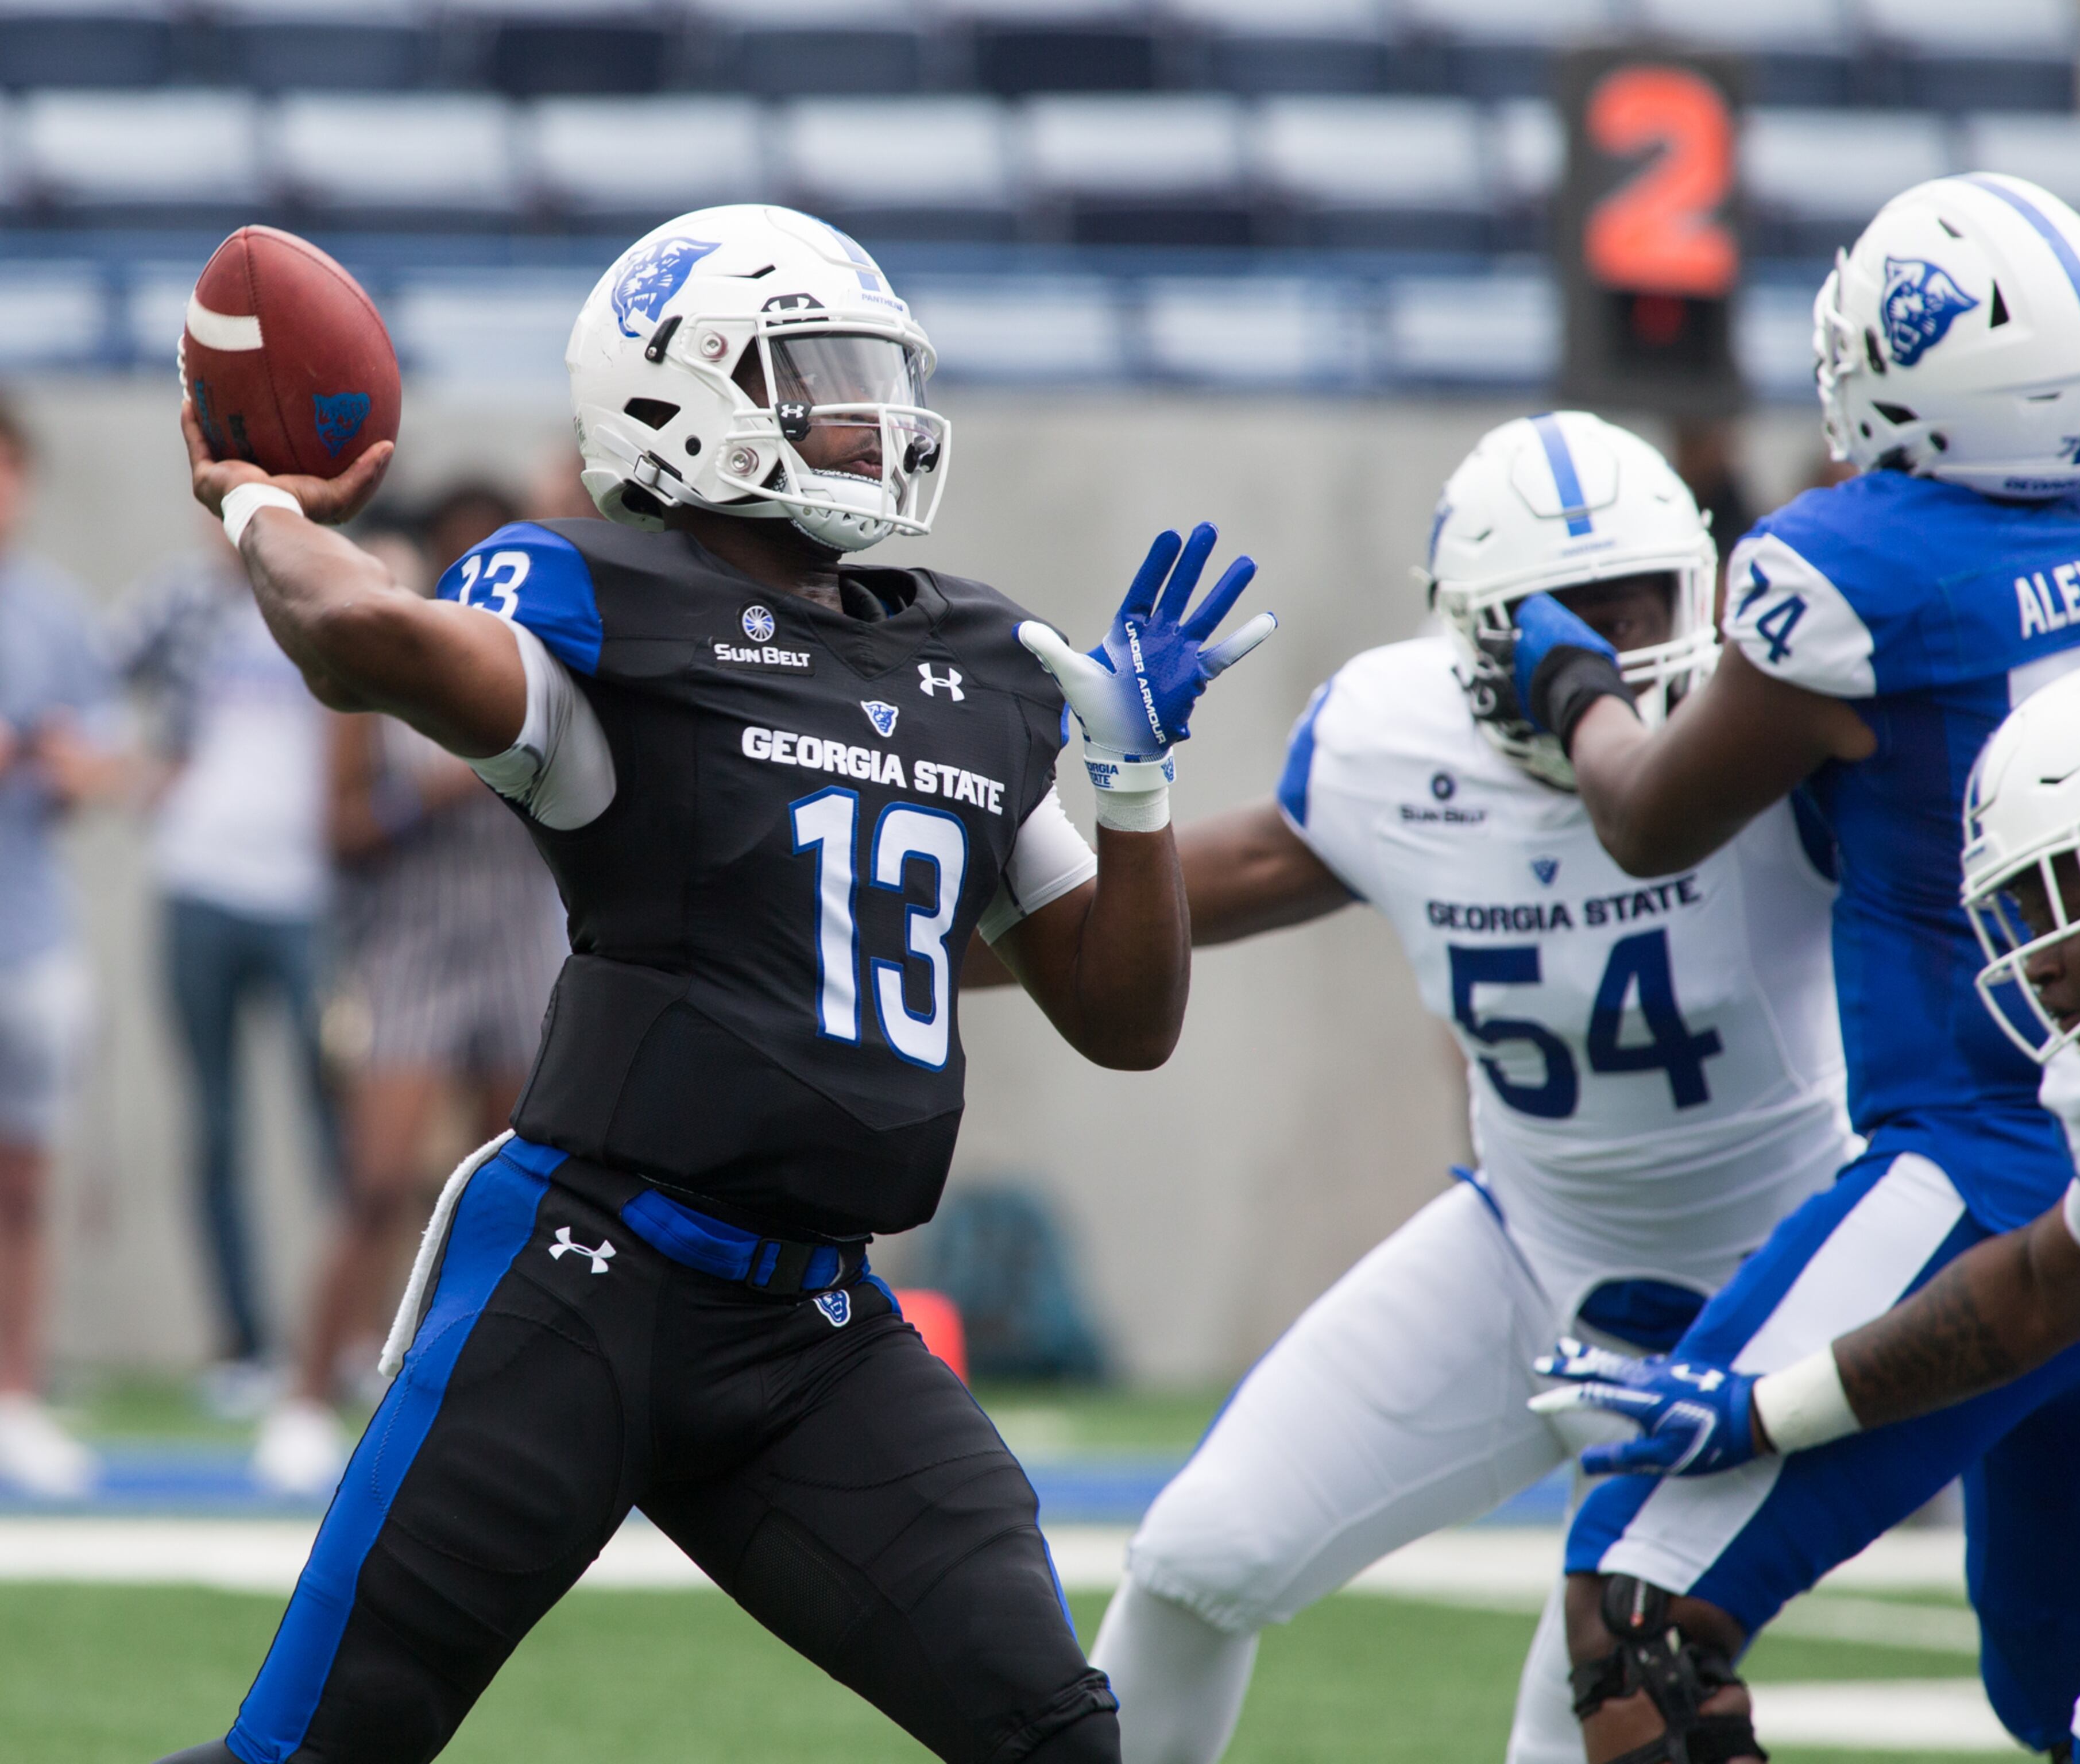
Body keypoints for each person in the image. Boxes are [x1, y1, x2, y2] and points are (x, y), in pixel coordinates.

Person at [153, 202, 1273, 1764]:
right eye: (817, 373)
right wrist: (265, 505)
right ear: (681, 398)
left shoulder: (986, 662)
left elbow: (1124, 1016)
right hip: (581, 1286)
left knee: (1060, 1741)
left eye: (875, 374)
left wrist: (1136, 786)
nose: (869, 416)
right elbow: (356, 643)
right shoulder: (600, 600)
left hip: (816, 1330)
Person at [1489, 172, 2080, 1763]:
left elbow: (1649, 816)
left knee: (1637, 1621)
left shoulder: (1856, 568)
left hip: (1985, 1165)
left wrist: (1574, 685)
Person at [1074, 412, 1853, 1764]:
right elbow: (1187, 892)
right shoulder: (1390, 739)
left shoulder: (1781, 743)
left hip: (1765, 1287)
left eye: (1637, 600)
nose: (1601, 649)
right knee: (1202, 1558)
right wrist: (876, 920)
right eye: (1562, 615)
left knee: (1594, 1710)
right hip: (1527, 1244)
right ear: (1475, 634)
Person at [1534, 653, 2080, 1764]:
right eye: (2015, 906)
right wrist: (1767, 1411)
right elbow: (2039, 1291)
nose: (2033, 956)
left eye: (2056, 892)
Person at [252, 482, 570, 1496]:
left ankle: (520, 1412)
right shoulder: (391, 668)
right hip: (415, 947)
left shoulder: (551, 674)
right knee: (380, 1180)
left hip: (522, 940)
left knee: (527, 1198)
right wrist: (426, 792)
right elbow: (338, 830)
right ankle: (308, 1396)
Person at [112, 517, 339, 1415]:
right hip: (197, 883)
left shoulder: (327, 599)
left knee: (336, 1126)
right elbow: (92, 677)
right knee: (215, 1125)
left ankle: (346, 1334)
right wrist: (140, 772)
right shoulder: (179, 597)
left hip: (307, 898)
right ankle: (243, 1345)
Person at [0, 394, 127, 1497]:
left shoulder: (53, 613)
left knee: (26, 1183)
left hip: (31, 935)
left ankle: (17, 1396)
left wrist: (57, 759)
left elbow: (103, 767)